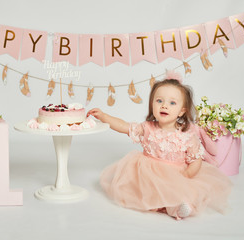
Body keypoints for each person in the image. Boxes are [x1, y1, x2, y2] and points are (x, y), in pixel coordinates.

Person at [87, 73, 232, 220]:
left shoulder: (187, 135)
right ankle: (162, 204)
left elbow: (196, 160)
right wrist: (104, 117)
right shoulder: (147, 128)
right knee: (146, 190)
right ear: (152, 104)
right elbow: (124, 126)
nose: (164, 105)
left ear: (182, 111)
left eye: (172, 103)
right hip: (148, 173)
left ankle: (176, 207)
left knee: (185, 192)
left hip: (176, 174)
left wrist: (187, 175)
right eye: (159, 101)